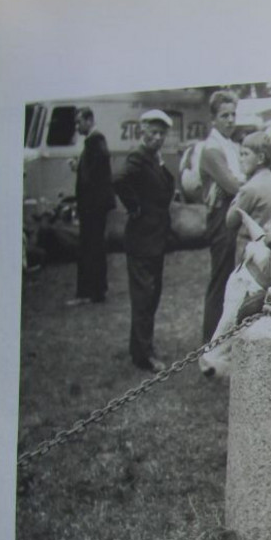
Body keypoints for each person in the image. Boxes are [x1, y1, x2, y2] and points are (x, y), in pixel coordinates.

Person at [113, 109, 177, 373]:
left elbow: (166, 186)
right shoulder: (138, 156)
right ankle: (145, 354)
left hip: (154, 239)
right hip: (142, 239)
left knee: (150, 296)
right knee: (144, 297)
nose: (157, 138)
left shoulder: (152, 158)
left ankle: (138, 348)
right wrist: (134, 207)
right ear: (143, 132)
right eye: (153, 132)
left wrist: (160, 162)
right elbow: (119, 179)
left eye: (162, 133)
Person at [198, 90, 245, 345]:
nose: (230, 120)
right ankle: (210, 342)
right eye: (224, 115)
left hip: (232, 214)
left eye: (233, 114)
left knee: (231, 277)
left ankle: (224, 337)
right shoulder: (212, 149)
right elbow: (233, 185)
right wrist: (243, 181)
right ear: (213, 119)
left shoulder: (230, 145)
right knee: (220, 280)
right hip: (220, 217)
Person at [67, 107, 112, 307]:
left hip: (92, 206)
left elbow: (95, 172)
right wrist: (81, 166)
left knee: (90, 248)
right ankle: (96, 291)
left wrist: (83, 172)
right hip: (95, 205)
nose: (77, 127)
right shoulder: (95, 142)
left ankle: (90, 292)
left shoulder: (95, 141)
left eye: (79, 122)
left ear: (89, 120)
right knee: (94, 247)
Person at [223, 131, 271, 263]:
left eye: (245, 154)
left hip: (248, 250)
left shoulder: (250, 188)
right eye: (241, 154)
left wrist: (239, 193)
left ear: (260, 158)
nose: (241, 159)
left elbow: (230, 220)